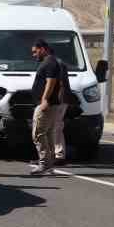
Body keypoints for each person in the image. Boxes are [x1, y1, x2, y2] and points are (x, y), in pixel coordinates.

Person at [28, 39, 66, 176]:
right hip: (50, 104)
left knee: (38, 134)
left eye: (35, 51)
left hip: (47, 105)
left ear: (42, 49)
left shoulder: (50, 63)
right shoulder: (50, 62)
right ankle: (48, 165)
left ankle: (44, 164)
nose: (34, 55)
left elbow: (51, 83)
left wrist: (44, 100)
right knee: (47, 134)